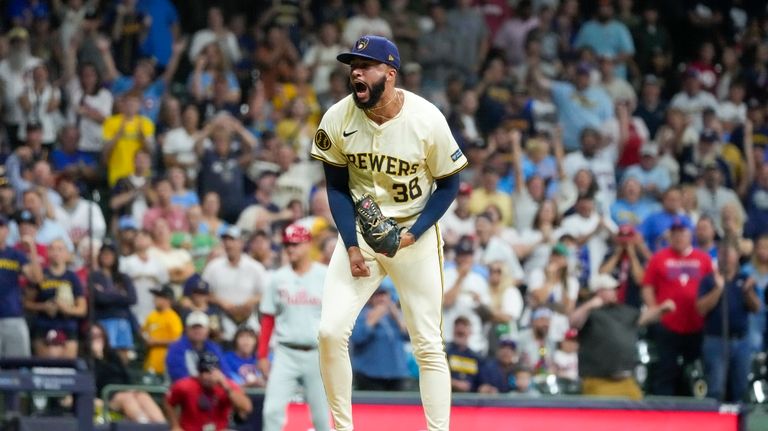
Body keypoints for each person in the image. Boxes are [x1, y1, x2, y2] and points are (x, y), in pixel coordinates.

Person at [310, 35, 466, 431]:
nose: (355, 72)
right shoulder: (337, 117)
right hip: (363, 234)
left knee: (428, 344)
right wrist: (350, 246)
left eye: (365, 65)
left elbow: (449, 185)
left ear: (390, 74)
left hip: (415, 233)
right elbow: (335, 187)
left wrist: (413, 234)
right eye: (352, 65)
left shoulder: (426, 118)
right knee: (329, 331)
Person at [257, 224, 330, 431]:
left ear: (308, 244)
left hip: (317, 353)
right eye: (288, 244)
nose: (290, 249)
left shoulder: (325, 275)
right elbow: (268, 318)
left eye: (296, 244)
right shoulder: (278, 278)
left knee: (322, 417)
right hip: (285, 352)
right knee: (271, 411)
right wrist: (262, 355)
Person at [571, 274, 674, 399]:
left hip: (625, 380)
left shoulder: (624, 311)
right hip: (598, 380)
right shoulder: (590, 312)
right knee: (603, 414)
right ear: (599, 291)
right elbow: (573, 323)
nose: (615, 292)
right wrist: (590, 305)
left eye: (615, 289)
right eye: (610, 289)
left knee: (639, 411)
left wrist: (661, 309)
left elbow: (644, 317)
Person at [642, 218, 713, 396]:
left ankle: (693, 409)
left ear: (690, 235)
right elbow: (648, 286)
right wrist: (655, 311)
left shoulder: (703, 259)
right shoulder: (659, 258)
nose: (679, 236)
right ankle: (663, 410)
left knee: (694, 370)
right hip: (667, 323)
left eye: (682, 232)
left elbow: (712, 286)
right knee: (666, 369)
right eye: (675, 233)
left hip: (696, 323)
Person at [696, 239, 760, 402]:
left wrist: (748, 291)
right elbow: (701, 309)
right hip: (716, 340)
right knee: (716, 389)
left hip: (741, 341)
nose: (725, 257)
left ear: (737, 255)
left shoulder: (745, 278)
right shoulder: (709, 280)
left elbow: (756, 308)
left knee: (740, 389)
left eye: (728, 253)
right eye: (721, 253)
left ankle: (739, 425)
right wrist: (718, 289)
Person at [91, 323, 166, 424]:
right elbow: (93, 381)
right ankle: (145, 427)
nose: (98, 339)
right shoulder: (87, 360)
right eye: (94, 336)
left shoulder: (113, 356)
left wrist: (131, 389)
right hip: (107, 396)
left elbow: (125, 376)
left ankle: (162, 425)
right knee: (126, 398)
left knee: (142, 395)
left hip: (124, 391)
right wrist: (97, 357)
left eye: (100, 335)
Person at [24, 239, 85, 358]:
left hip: (67, 326)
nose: (56, 252)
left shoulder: (72, 277)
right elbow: (26, 303)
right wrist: (43, 307)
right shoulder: (40, 275)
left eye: (60, 249)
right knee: (44, 368)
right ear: (47, 253)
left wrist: (66, 309)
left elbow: (82, 309)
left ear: (67, 254)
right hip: (43, 325)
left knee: (67, 369)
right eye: (52, 249)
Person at [164, 351, 252, 431]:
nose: (207, 376)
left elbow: (246, 407)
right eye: (203, 371)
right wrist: (175, 426)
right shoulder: (185, 385)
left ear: (219, 372)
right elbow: (169, 402)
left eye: (211, 372)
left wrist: (226, 387)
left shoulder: (227, 384)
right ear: (198, 373)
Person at [350, 286, 410, 391]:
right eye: (377, 295)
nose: (381, 299)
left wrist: (398, 318)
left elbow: (410, 337)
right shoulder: (361, 314)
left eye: (384, 295)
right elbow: (357, 338)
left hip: (396, 373)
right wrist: (372, 320)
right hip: (369, 374)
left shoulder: (396, 314)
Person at [0, 213, 43, 358]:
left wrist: (31, 247)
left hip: (13, 316)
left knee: (18, 367)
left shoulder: (15, 254)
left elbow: (36, 279)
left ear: (6, 230)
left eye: (1, 227)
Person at [165, 311, 232, 382]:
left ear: (208, 330)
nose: (197, 331)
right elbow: (178, 375)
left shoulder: (213, 347)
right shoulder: (176, 348)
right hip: (185, 388)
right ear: (187, 329)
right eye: (194, 328)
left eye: (200, 328)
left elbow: (225, 371)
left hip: (212, 386)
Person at [142, 284, 183, 375]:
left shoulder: (173, 317)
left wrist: (157, 342)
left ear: (167, 299)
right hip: (150, 362)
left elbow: (177, 341)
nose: (154, 299)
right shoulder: (152, 315)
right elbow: (144, 332)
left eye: (158, 296)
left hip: (165, 363)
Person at [445, 316, 482, 393]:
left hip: (469, 401)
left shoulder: (476, 357)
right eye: (457, 327)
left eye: (464, 326)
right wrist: (455, 383)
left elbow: (480, 382)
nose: (460, 328)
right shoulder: (444, 352)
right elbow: (436, 375)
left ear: (470, 332)